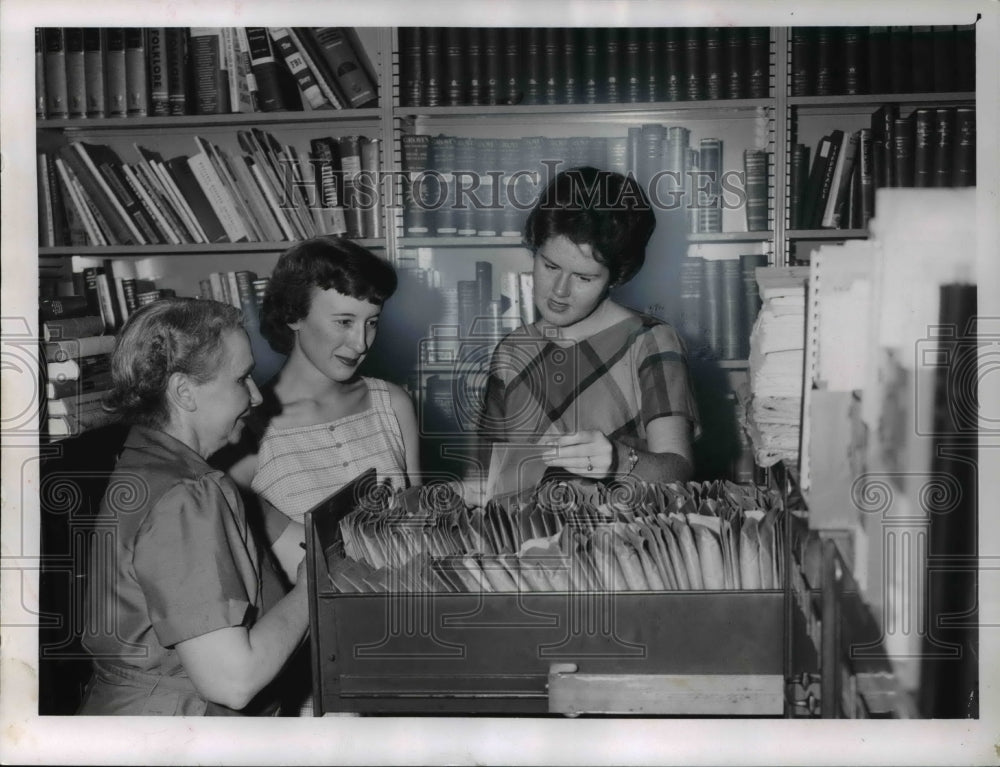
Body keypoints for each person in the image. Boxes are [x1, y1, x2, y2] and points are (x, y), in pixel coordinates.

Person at [78, 298, 307, 716]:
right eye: (242, 379)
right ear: (184, 392)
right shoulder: (185, 494)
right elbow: (232, 681)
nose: (256, 396)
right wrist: (312, 589)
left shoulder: (146, 462)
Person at [479, 165, 700, 485]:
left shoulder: (651, 341)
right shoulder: (510, 351)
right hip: (519, 532)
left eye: (584, 277)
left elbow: (678, 469)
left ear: (618, 276)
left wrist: (619, 459)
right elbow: (489, 477)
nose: (559, 290)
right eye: (550, 265)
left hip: (618, 530)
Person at [226, 237, 420, 523]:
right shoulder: (246, 427)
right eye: (344, 322)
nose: (361, 344)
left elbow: (421, 525)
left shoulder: (394, 403)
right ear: (294, 315)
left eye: (372, 322)